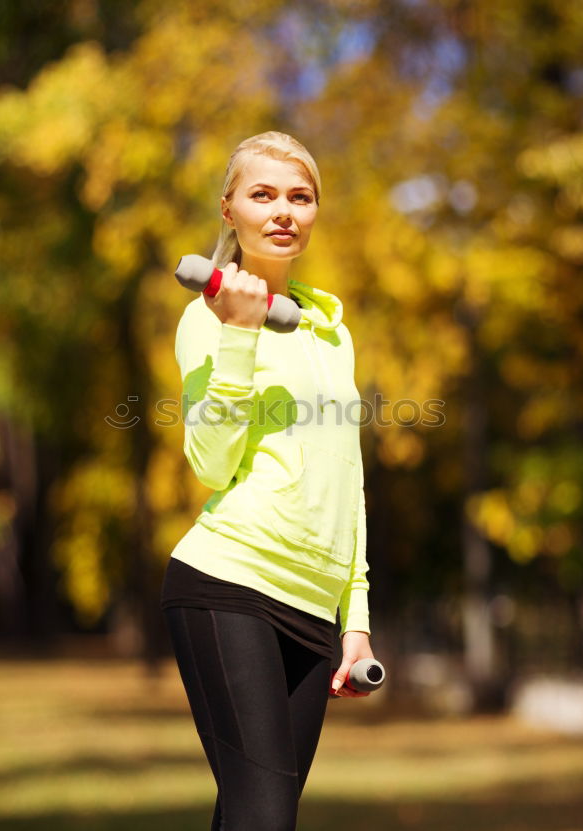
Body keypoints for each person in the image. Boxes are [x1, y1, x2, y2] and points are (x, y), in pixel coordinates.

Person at [160, 130, 376, 831]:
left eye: (300, 196)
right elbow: (210, 463)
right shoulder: (207, 318)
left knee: (250, 817)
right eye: (263, 194)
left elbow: (349, 480)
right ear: (230, 211)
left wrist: (358, 620)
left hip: (314, 609)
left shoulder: (330, 330)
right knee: (264, 818)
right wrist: (240, 333)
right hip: (231, 584)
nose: (283, 210)